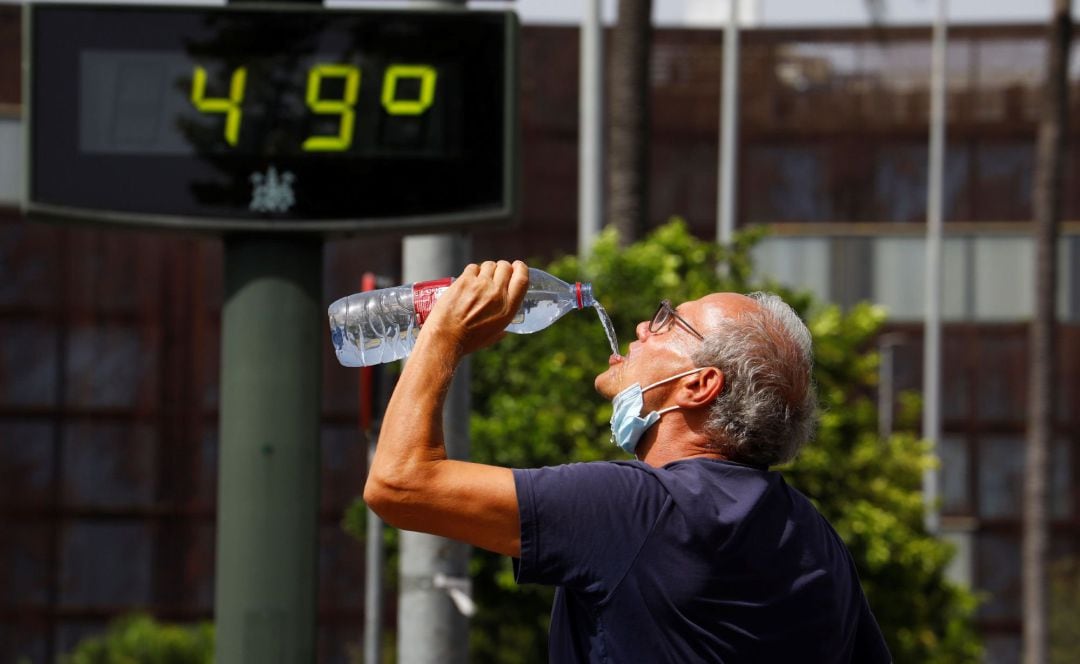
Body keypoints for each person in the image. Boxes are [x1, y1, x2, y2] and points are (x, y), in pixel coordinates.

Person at [364, 260, 892, 663]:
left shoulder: (639, 509)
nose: (643, 326)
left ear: (698, 385)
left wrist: (443, 335)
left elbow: (399, 483)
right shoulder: (815, 537)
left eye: (668, 323)